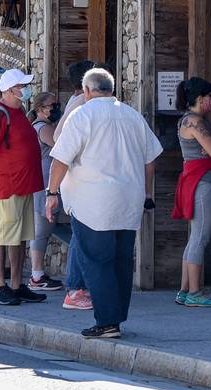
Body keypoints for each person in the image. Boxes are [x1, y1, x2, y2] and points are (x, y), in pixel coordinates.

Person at [46, 67, 162, 339]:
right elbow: (151, 158)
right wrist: (146, 192)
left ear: (87, 91)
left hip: (92, 202)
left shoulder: (82, 115)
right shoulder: (132, 115)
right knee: (122, 260)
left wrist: (52, 194)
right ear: (112, 88)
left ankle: (107, 321)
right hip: (129, 199)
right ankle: (116, 316)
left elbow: (61, 159)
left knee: (97, 261)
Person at [0, 68, 47, 306]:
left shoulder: (17, 113)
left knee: (18, 238)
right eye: (20, 87)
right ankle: (1, 286)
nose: (24, 90)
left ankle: (17, 285)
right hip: (6, 185)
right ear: (8, 90)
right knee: (2, 236)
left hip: (23, 185)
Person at [172, 77, 211, 307]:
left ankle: (185, 289)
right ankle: (195, 292)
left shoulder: (193, 120)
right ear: (200, 98)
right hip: (203, 182)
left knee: (194, 237)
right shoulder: (196, 121)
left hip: (198, 181)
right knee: (200, 237)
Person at [56, 60, 96, 311]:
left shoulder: (76, 102)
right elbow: (59, 138)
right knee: (80, 235)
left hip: (79, 176)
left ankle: (80, 286)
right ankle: (75, 288)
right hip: (80, 177)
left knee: (81, 234)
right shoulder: (81, 104)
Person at [27, 90, 64, 292]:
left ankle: (37, 273)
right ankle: (37, 274)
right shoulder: (43, 128)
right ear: (41, 109)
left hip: (43, 181)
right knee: (42, 229)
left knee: (45, 228)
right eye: (52, 106)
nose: (56, 108)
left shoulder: (41, 126)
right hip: (44, 183)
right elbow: (61, 146)